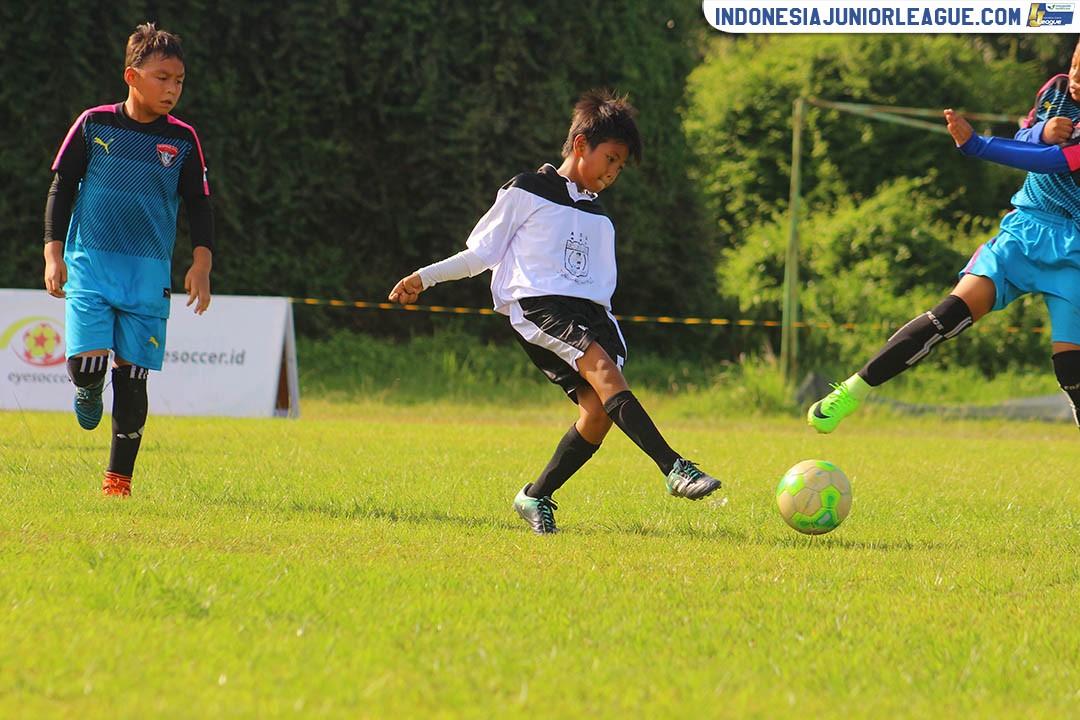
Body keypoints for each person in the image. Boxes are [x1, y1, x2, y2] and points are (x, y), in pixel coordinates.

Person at [388, 89, 721, 534]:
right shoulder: (527, 190)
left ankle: (535, 495)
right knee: (603, 371)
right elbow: (480, 254)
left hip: (590, 315)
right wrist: (423, 277)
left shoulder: (600, 217)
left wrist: (606, 327)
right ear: (581, 144)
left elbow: (600, 287)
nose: (614, 172)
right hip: (540, 306)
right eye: (611, 158)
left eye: (621, 166)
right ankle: (675, 468)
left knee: (597, 416)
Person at [808, 42, 1080, 433]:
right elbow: (1026, 140)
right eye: (1074, 65)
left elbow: (1050, 161)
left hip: (1073, 249)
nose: (1076, 78)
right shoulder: (1054, 89)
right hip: (1024, 231)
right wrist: (1041, 130)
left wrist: (976, 145)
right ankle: (852, 391)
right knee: (949, 313)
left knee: (1071, 367)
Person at [43, 22, 214, 496]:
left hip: (147, 276)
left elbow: (200, 204)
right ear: (131, 76)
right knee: (89, 368)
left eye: (179, 81)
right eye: (162, 78)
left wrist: (201, 264)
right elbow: (62, 187)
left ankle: (118, 483)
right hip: (90, 266)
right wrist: (52, 254)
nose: (172, 89)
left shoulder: (183, 139)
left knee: (134, 378)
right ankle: (88, 386)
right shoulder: (94, 123)